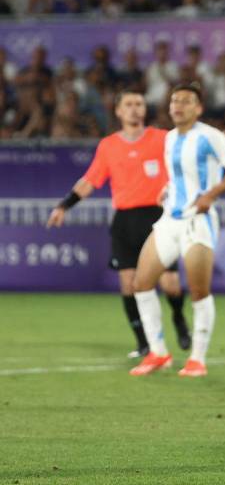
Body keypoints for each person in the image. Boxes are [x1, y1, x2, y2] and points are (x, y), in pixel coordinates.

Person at [47, 90, 190, 358]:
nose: (135, 109)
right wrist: (64, 205)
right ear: (118, 111)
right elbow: (89, 181)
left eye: (139, 104)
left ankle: (179, 318)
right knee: (129, 284)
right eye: (129, 104)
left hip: (157, 217)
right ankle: (143, 343)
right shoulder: (108, 146)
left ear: (144, 110)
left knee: (170, 283)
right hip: (125, 221)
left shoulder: (162, 138)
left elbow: (190, 146)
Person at [129, 83, 225, 378]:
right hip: (170, 219)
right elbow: (180, 175)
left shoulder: (209, 136)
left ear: (198, 108)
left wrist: (211, 195)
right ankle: (158, 353)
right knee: (141, 283)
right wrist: (168, 188)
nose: (178, 105)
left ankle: (197, 359)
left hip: (198, 220)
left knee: (198, 290)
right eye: (174, 100)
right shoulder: (170, 138)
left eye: (185, 101)